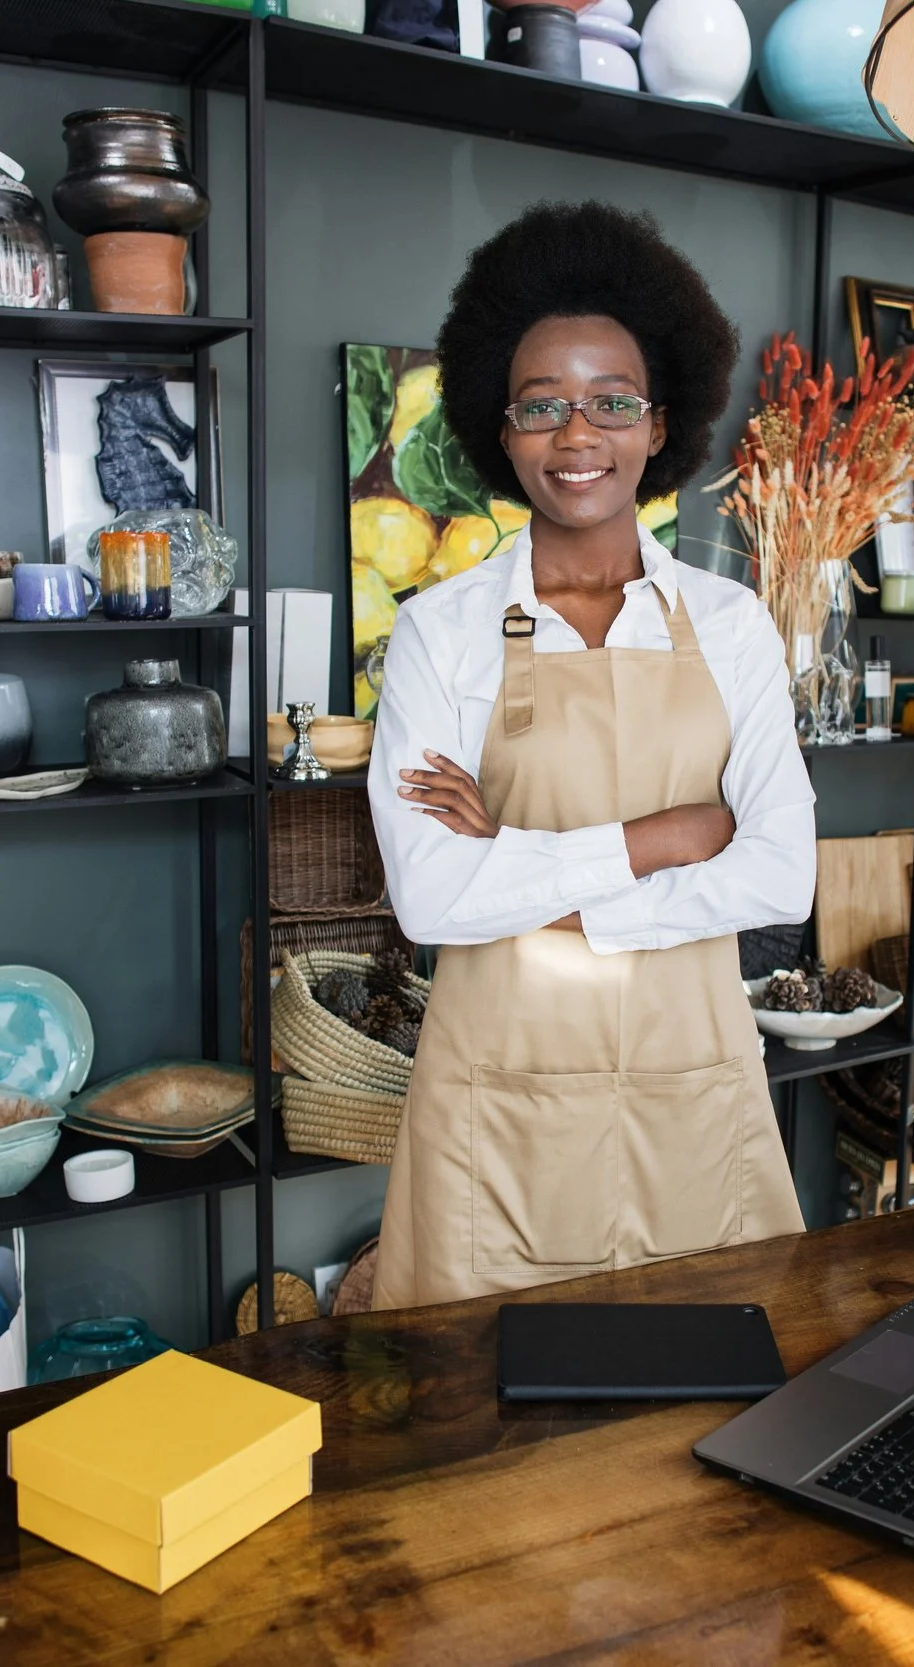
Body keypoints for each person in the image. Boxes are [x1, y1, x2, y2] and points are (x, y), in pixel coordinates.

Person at [366, 201, 816, 1310]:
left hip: (688, 1097)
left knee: (705, 1405)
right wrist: (657, 839)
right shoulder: (441, 630)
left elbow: (779, 876)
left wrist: (525, 871)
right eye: (543, 407)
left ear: (659, 423)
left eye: (612, 402)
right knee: (486, 1429)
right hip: (496, 1110)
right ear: (501, 428)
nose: (579, 436)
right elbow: (429, 896)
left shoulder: (730, 624)